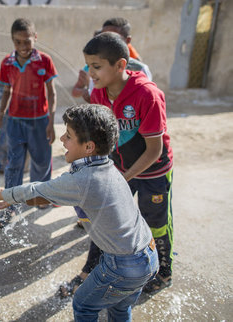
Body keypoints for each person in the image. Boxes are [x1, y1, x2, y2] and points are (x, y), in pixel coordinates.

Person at [0, 104, 159, 321]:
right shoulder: (105, 166)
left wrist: (0, 195)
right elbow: (50, 194)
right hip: (147, 253)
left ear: (89, 146)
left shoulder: (83, 181)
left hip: (123, 265)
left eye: (69, 136)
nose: (62, 139)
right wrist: (12, 199)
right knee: (118, 306)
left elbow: (37, 189)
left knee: (83, 304)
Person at [64, 32, 174, 297]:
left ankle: (163, 272)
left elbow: (154, 149)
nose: (90, 73)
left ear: (121, 65)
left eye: (96, 67)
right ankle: (91, 270)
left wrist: (123, 178)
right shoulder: (99, 94)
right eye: (88, 66)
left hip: (152, 171)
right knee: (104, 220)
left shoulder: (147, 94)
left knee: (155, 223)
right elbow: (101, 139)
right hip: (119, 170)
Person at [0, 18, 58, 228]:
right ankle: (11, 205)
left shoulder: (45, 61)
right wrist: (0, 119)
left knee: (41, 161)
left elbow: (52, 93)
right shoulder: (7, 63)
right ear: (12, 41)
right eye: (18, 42)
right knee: (14, 164)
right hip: (16, 122)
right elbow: (6, 92)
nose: (23, 47)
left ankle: (40, 197)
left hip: (39, 121)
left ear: (35, 38)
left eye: (27, 41)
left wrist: (51, 122)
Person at [72, 18, 151, 104]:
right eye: (103, 36)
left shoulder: (139, 69)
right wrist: (87, 92)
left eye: (113, 37)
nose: (105, 42)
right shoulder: (92, 69)